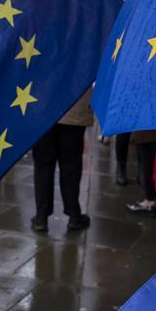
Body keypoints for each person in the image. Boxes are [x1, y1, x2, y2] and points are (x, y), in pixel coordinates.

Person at [30, 90, 93, 232]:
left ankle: (41, 217)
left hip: (43, 105)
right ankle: (74, 215)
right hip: (74, 105)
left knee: (43, 164)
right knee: (71, 164)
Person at [126, 130, 156, 216]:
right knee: (150, 161)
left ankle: (150, 200)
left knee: (148, 162)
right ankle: (151, 197)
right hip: (152, 131)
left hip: (146, 132)